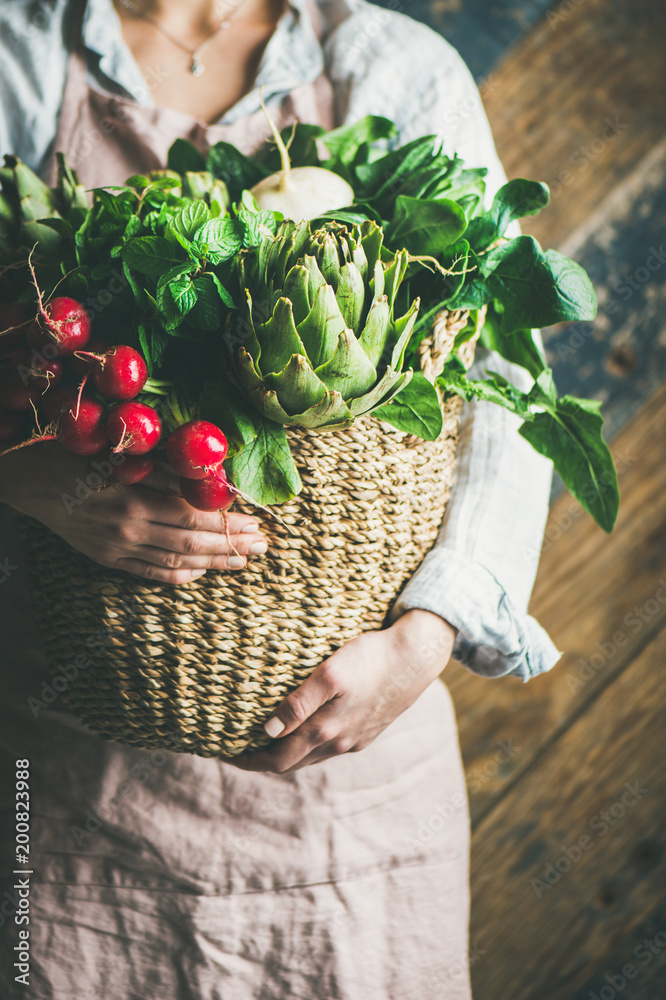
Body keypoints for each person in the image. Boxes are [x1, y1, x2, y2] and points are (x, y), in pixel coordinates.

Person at [0, 0, 560, 997]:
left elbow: (508, 397)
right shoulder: (20, 49)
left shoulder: (393, 65)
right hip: (70, 791)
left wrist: (425, 639)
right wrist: (31, 477)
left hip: (355, 778)